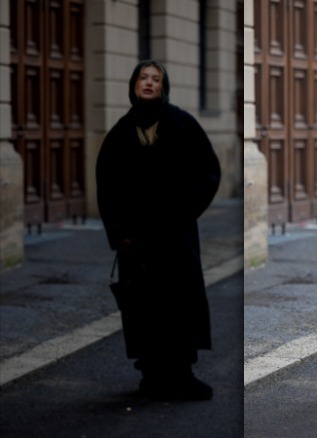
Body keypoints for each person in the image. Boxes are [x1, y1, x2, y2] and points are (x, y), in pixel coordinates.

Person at [96, 60, 221, 400]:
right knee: (143, 309)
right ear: (133, 85)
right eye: (143, 78)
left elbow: (208, 172)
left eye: (156, 79)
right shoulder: (121, 132)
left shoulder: (182, 123)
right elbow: (106, 186)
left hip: (175, 237)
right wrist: (119, 233)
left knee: (179, 304)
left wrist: (182, 211)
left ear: (163, 87)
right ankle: (151, 376)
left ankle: (182, 375)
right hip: (136, 243)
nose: (149, 83)